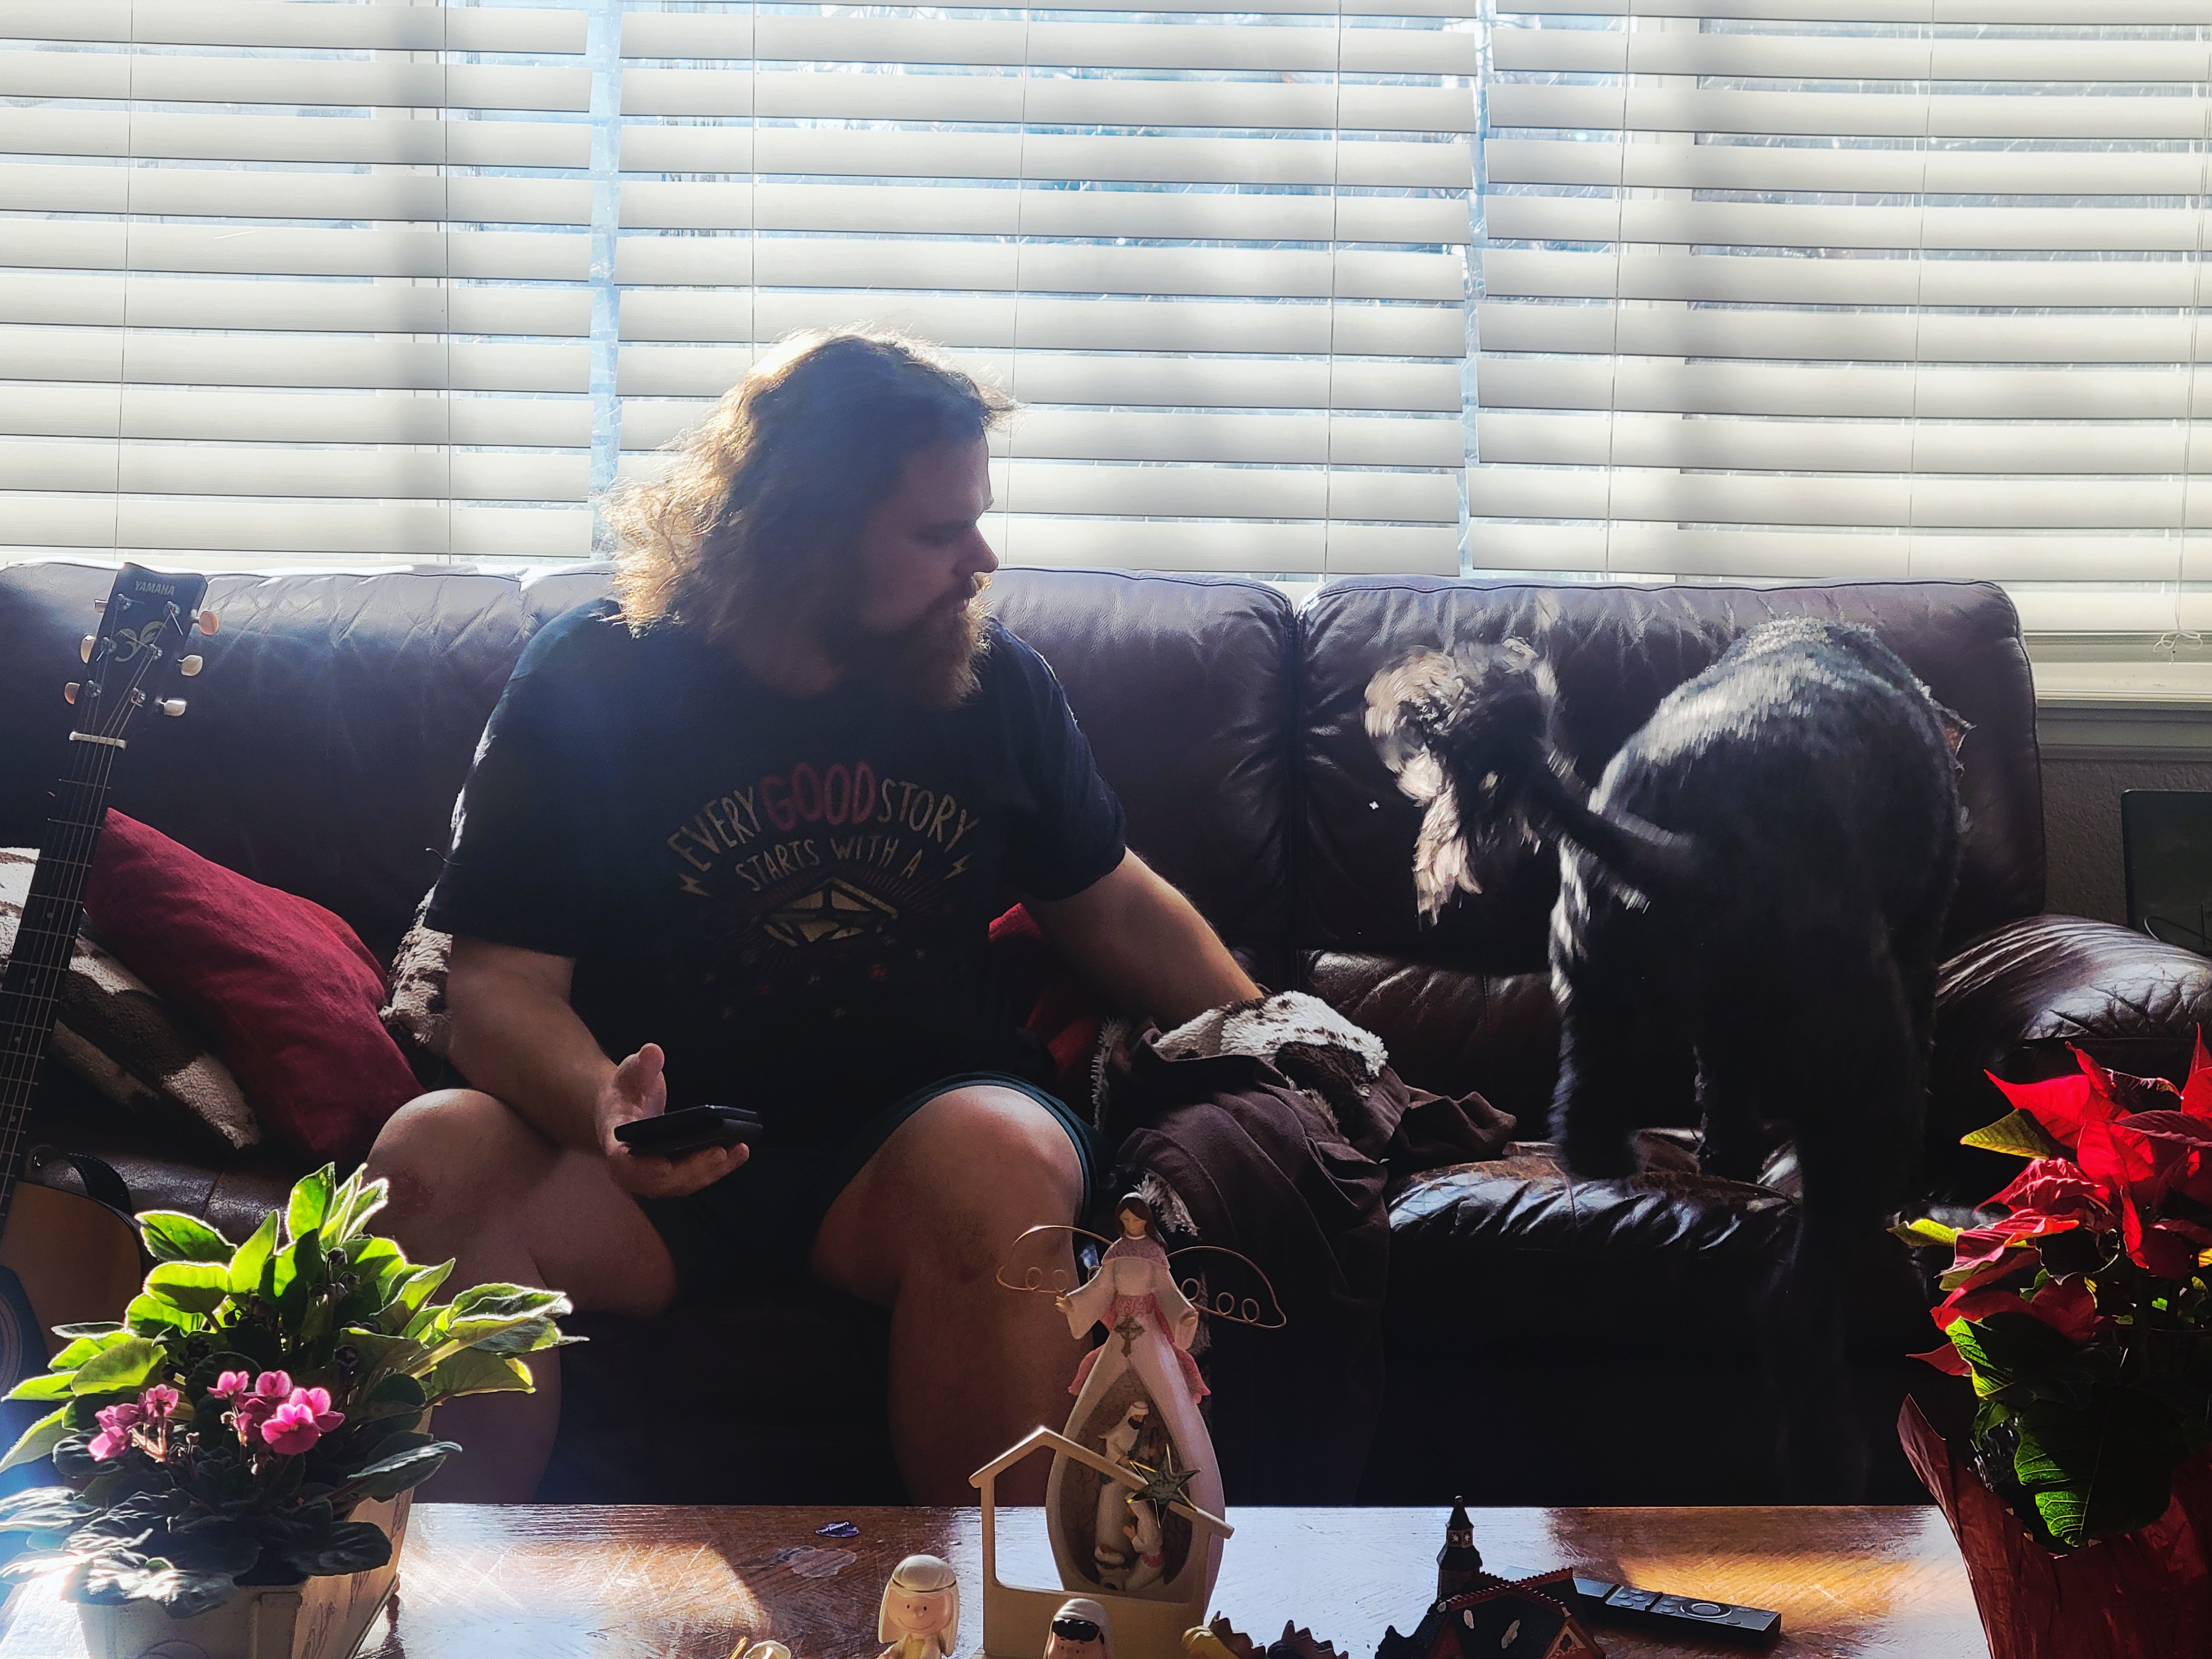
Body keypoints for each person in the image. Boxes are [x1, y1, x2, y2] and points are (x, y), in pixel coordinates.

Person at [364, 329, 1260, 1503]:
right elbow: (497, 988)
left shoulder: (994, 684)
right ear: (801, 532)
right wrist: (602, 1108)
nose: (981, 560)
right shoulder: (592, 680)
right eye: (938, 533)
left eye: (978, 521)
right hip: (651, 1166)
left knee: (998, 1157)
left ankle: (998, 1601)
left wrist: (1285, 1046)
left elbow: (1114, 909)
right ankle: (438, 1593)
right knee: (427, 1155)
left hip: (909, 1152)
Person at [877, 1554, 959, 1659]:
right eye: (908, 1606)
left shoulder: (931, 1645)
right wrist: (890, 1655)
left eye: (925, 1608)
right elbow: (898, 1648)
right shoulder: (907, 1639)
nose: (916, 1614)